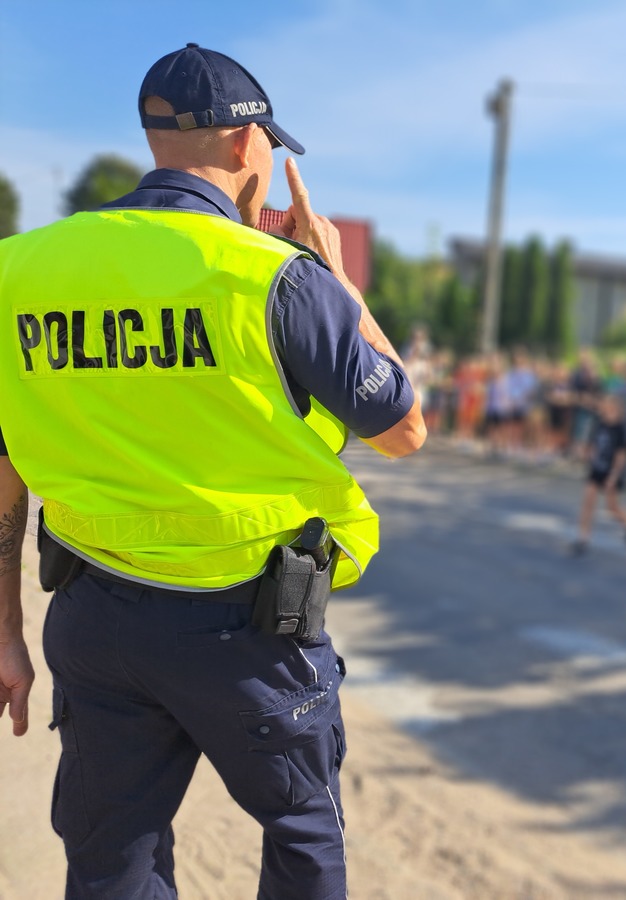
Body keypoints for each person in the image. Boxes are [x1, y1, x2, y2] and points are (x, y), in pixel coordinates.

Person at [0, 44, 426, 898]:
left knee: (111, 854)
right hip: (249, 635)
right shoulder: (279, 278)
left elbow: (6, 464)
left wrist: (5, 625)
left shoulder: (21, 270)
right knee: (303, 837)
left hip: (95, 619)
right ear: (246, 148)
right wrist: (338, 280)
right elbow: (405, 428)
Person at [571, 394, 626, 555]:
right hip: (597, 468)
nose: (603, 407)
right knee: (588, 504)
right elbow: (596, 444)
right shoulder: (600, 423)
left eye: (607, 405)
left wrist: (613, 476)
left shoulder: (621, 428)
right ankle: (583, 540)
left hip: (612, 471)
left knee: (612, 507)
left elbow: (621, 456)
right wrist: (586, 453)